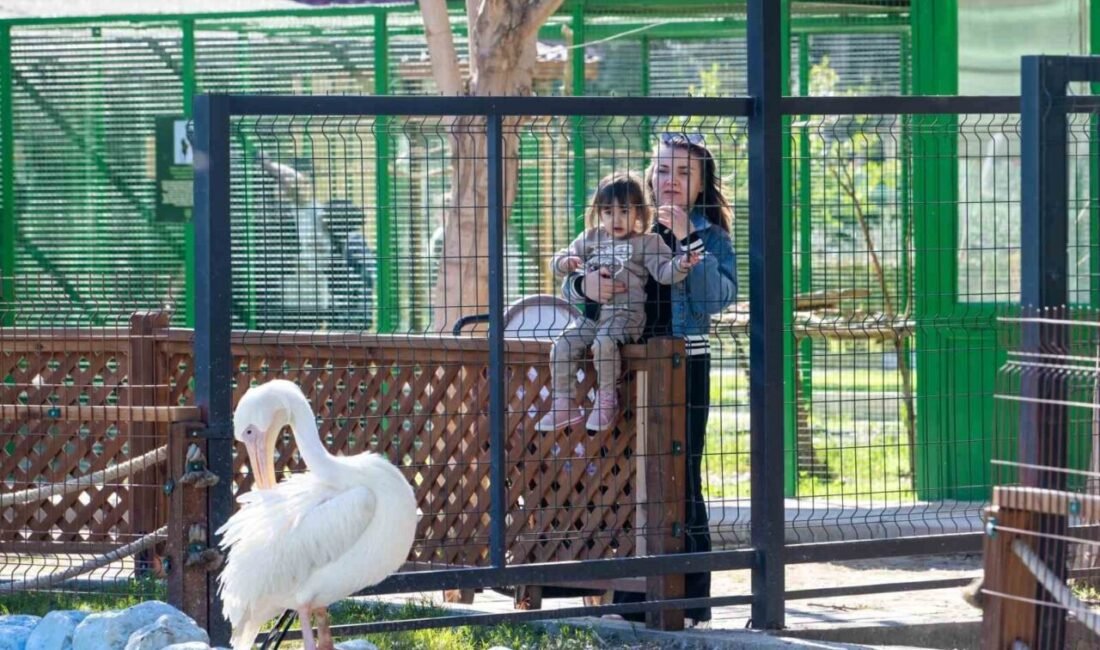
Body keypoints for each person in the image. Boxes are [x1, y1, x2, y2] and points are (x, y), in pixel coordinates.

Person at [561, 132, 737, 626]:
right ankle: (629, 600)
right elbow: (575, 277)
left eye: (684, 173)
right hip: (622, 360)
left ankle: (689, 600)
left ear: (702, 184)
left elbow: (713, 300)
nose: (671, 181)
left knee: (681, 476)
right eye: (663, 170)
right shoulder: (624, 224)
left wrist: (687, 241)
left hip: (683, 365)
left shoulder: (710, 233)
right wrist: (581, 284)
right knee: (627, 474)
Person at [537, 171, 701, 433]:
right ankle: (564, 402)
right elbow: (558, 260)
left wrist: (682, 263)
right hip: (592, 317)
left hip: (626, 316)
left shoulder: (648, 242)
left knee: (604, 343)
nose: (616, 218)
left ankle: (606, 401)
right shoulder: (590, 238)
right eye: (608, 211)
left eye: (624, 211)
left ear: (639, 213)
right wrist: (564, 262)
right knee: (564, 343)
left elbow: (664, 272)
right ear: (599, 213)